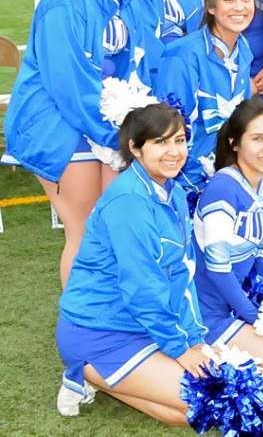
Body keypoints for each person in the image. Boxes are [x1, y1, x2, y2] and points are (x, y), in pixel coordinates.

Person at [2, 0, 154, 288]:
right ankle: (80, 324)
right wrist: (122, 138)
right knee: (85, 230)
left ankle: (110, 314)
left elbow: (136, 66)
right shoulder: (65, 1)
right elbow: (69, 88)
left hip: (100, 120)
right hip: (57, 123)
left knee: (111, 228)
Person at [55, 104, 208, 424]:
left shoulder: (175, 193)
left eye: (179, 141)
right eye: (160, 142)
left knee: (193, 410)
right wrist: (180, 351)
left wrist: (194, 340)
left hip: (140, 326)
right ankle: (88, 372)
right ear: (136, 149)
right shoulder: (128, 201)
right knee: (202, 402)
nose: (174, 151)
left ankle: (110, 380)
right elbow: (142, 288)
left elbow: (183, 273)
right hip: (98, 330)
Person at [192, 98, 263, 382]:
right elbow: (218, 271)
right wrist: (256, 319)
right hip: (205, 309)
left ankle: (225, 364)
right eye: (257, 139)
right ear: (234, 142)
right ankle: (209, 365)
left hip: (235, 302)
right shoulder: (222, 188)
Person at [154, 0, 257, 202]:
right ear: (211, 6)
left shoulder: (243, 50)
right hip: (184, 183)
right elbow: (169, 129)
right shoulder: (183, 55)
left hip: (225, 176)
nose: (240, 7)